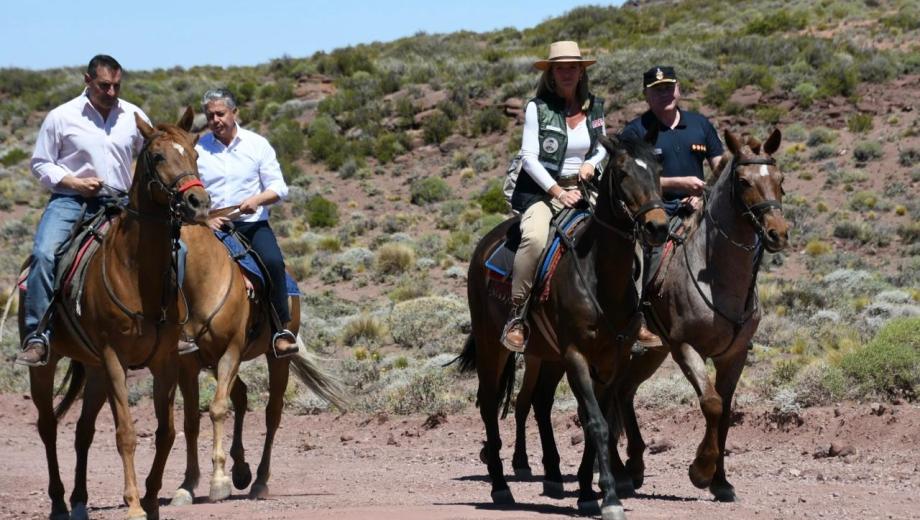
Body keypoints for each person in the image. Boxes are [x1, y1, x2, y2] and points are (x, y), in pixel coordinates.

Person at [16, 55, 151, 367]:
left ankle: (171, 327)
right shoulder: (61, 116)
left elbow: (152, 152)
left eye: (117, 85)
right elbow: (40, 163)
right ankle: (38, 335)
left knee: (170, 247)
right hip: (70, 201)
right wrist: (73, 182)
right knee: (45, 253)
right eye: (105, 85)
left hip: (120, 203)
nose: (112, 92)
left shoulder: (132, 114)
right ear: (87, 80)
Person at [502, 41, 608, 352]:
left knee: (627, 230)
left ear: (580, 71)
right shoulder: (538, 108)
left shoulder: (595, 106)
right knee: (534, 239)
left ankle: (637, 314)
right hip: (544, 190)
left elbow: (602, 145)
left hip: (587, 186)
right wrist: (558, 191)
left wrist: (591, 163)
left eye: (572, 67)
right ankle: (517, 315)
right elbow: (529, 157)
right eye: (560, 67)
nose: (567, 72)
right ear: (551, 73)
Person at [621, 65, 726, 347]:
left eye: (669, 87)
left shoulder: (700, 124)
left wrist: (706, 194)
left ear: (678, 89)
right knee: (646, 263)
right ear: (646, 95)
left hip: (699, 209)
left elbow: (719, 169)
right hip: (657, 212)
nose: (664, 94)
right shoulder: (635, 132)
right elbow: (631, 178)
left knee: (734, 248)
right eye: (657, 90)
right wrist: (679, 183)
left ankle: (736, 318)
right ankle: (639, 319)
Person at [195, 88, 298, 358]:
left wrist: (259, 199)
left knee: (273, 263)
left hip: (251, 225)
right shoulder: (198, 149)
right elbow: (190, 192)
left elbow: (279, 187)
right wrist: (205, 218)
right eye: (210, 115)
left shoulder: (257, 144)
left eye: (220, 113)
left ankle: (280, 330)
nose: (215, 120)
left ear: (234, 113)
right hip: (212, 228)